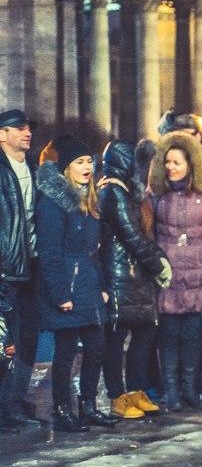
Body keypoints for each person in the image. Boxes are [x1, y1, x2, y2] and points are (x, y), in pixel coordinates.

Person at [34, 136, 111, 431]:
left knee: (96, 348)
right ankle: (62, 409)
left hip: (88, 285)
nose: (87, 166)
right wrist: (60, 293)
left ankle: (89, 406)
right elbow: (50, 251)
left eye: (89, 161)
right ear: (67, 167)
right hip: (67, 285)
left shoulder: (90, 200)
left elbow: (95, 252)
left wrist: (102, 286)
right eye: (80, 162)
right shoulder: (54, 203)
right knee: (65, 353)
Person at [150, 128, 202, 411]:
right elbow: (147, 229)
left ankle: (190, 389)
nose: (170, 167)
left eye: (177, 162)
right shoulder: (156, 193)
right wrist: (155, 259)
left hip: (199, 272)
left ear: (190, 164)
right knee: (169, 335)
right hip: (166, 273)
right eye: (167, 162)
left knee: (193, 336)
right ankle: (171, 392)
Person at [99, 139, 170, 419]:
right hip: (120, 275)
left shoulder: (129, 192)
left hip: (136, 274)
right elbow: (132, 236)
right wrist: (159, 264)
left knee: (144, 332)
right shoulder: (113, 192)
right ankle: (118, 397)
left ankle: (136, 391)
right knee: (116, 339)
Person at [0, 109, 39, 432]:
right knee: (3, 340)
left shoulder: (34, 168)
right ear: (2, 134)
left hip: (31, 266)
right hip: (6, 267)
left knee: (27, 337)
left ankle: (15, 401)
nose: (27, 132)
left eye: (28, 128)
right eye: (18, 128)